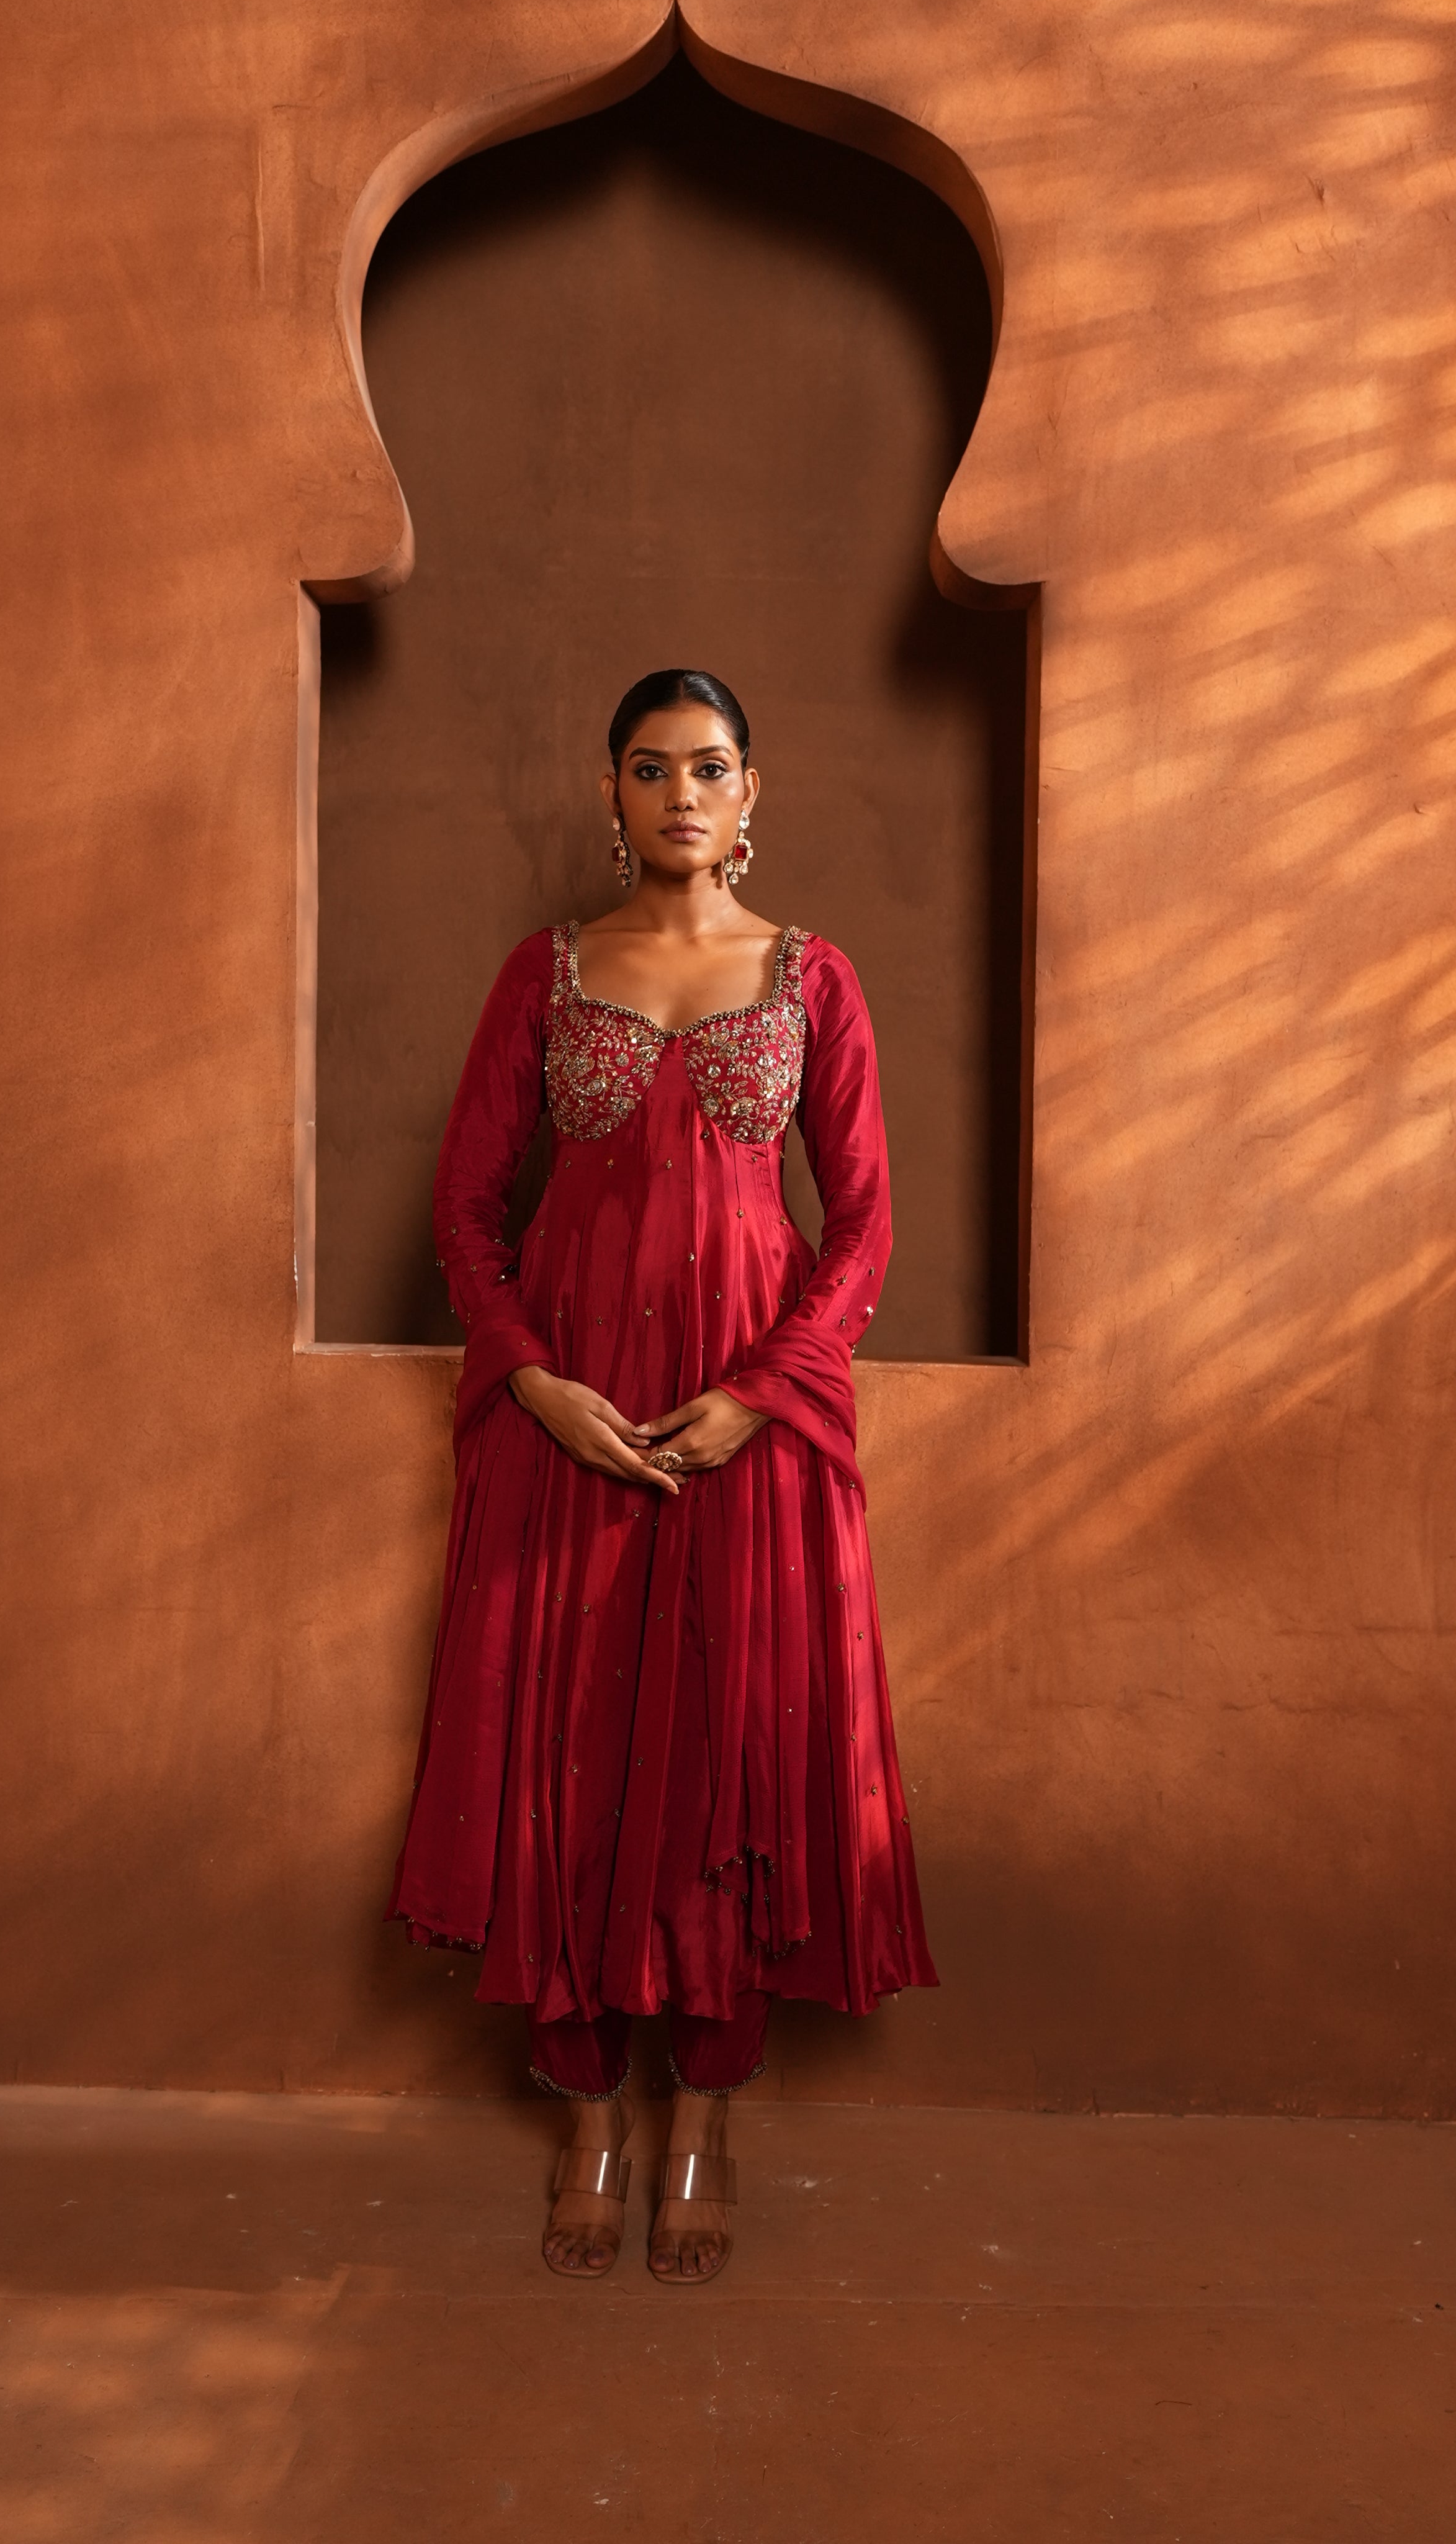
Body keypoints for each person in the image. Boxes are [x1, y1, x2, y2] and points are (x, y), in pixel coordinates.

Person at [389, 669, 935, 2283]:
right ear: (609, 795)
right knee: (572, 1751)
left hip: (740, 1434)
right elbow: (468, 1215)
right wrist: (536, 1384)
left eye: (709, 767)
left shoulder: (815, 978)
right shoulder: (544, 976)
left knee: (725, 1755)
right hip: (577, 1428)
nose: (680, 793)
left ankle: (699, 2113)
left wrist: (767, 1395)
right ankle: (585, 2108)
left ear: (752, 789)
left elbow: (866, 1224)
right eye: (650, 768)